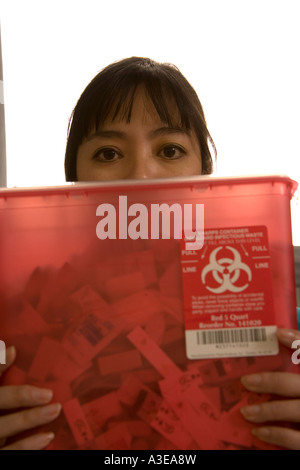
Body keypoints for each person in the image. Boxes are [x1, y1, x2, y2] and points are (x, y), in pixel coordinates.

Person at [1, 57, 300, 450]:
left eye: (170, 150)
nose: (140, 177)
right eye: (108, 153)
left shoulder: (281, 319)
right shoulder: (20, 317)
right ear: (73, 180)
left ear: (205, 174)